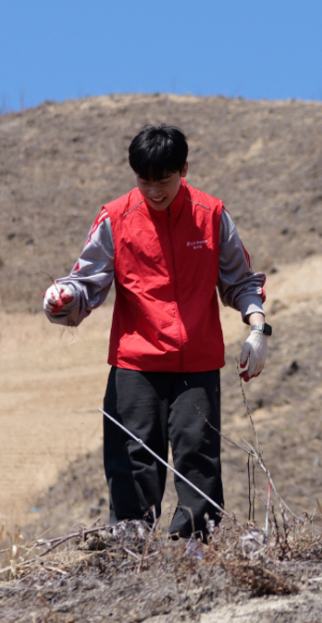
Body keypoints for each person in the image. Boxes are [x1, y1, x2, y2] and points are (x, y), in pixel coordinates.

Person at [42, 124, 269, 538]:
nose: (154, 191)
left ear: (184, 169)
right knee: (133, 458)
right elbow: (87, 282)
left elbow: (240, 281)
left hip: (197, 363)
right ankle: (131, 546)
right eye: (144, 181)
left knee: (197, 454)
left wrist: (258, 329)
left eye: (164, 181)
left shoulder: (212, 214)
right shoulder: (115, 217)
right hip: (136, 363)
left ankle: (197, 548)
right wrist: (63, 299)